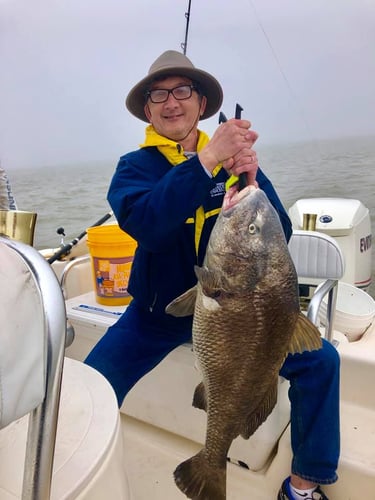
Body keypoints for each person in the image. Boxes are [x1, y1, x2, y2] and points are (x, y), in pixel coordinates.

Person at [85, 50, 340, 500]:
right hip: (155, 316)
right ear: (147, 110)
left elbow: (277, 232)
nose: (171, 102)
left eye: (182, 91)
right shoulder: (134, 168)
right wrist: (204, 163)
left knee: (322, 361)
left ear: (201, 104)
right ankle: (78, 472)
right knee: (87, 388)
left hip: (237, 317)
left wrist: (254, 182)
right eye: (158, 95)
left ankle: (304, 484)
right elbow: (147, 223)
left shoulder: (232, 160)